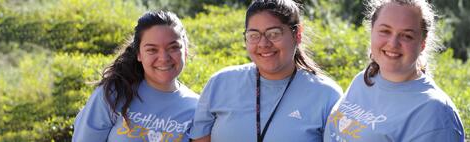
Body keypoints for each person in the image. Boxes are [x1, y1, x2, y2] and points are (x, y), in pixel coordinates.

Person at [190, 0, 343, 142]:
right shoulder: (220, 83)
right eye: (254, 35)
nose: (263, 43)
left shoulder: (326, 95)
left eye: (274, 33)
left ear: (297, 34)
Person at [324, 0, 465, 141]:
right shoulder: (364, 79)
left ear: (423, 43)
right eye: (385, 31)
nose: (393, 43)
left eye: (407, 36)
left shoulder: (435, 113)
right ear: (372, 31)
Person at [73, 11, 199, 142]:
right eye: (152, 50)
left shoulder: (196, 108)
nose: (164, 58)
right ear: (139, 54)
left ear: (185, 50)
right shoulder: (114, 93)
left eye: (173, 47)